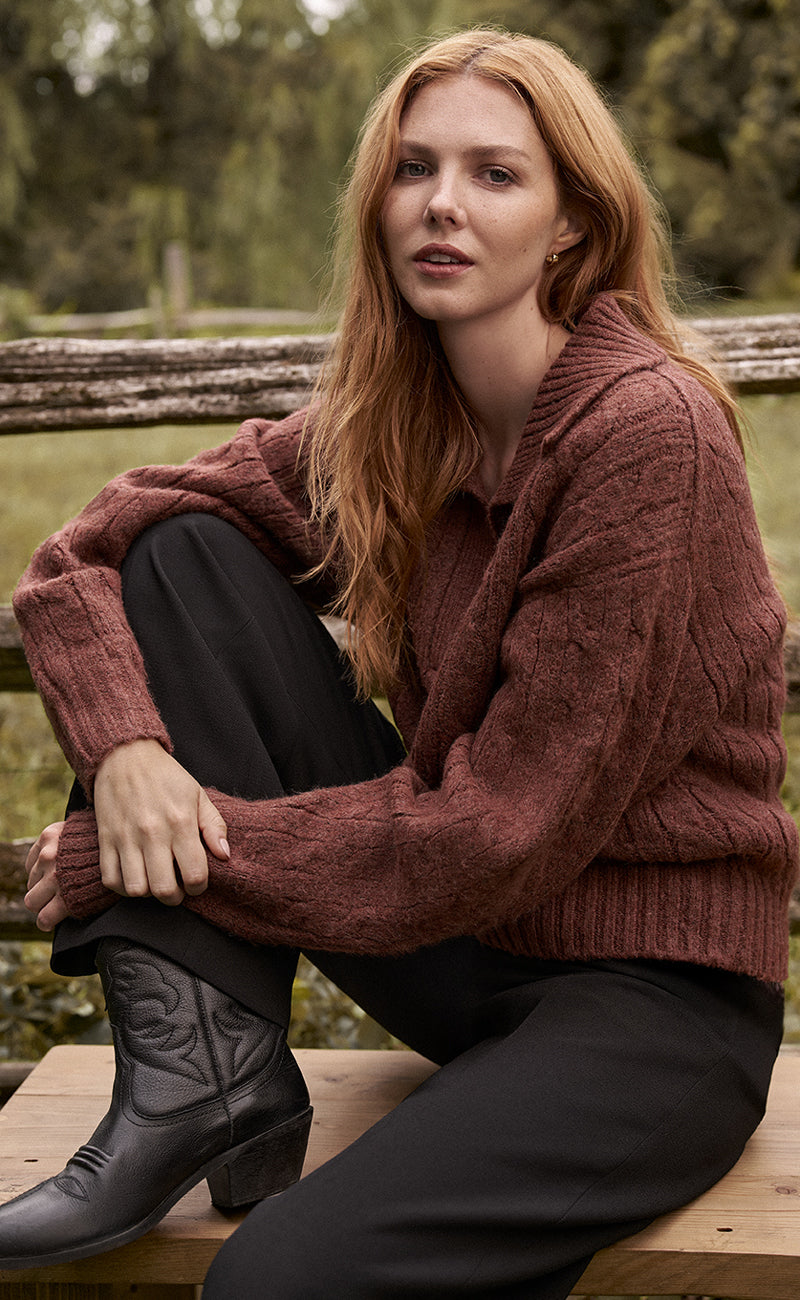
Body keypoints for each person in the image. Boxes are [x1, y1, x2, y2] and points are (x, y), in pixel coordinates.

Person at [1, 26, 797, 1298]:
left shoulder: (647, 437)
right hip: (459, 952)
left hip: (651, 1002)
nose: (439, 203)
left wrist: (137, 858)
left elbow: (497, 831)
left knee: (279, 1279)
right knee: (181, 551)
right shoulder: (395, 427)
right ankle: (202, 1082)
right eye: (413, 167)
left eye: (494, 174)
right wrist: (126, 753)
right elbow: (79, 554)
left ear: (571, 226)